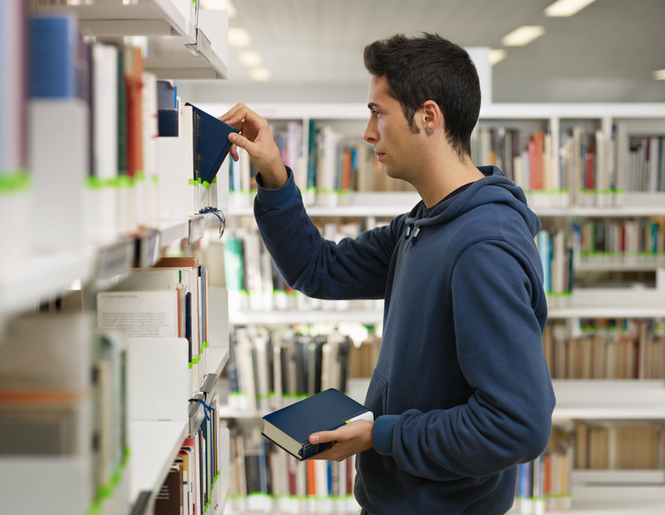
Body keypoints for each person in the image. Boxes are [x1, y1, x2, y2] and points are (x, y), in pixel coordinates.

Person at [220, 32, 555, 515]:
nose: (368, 132)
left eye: (379, 112)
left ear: (428, 117)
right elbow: (320, 268)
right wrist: (273, 174)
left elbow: (517, 425)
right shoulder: (423, 224)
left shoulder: (483, 247)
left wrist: (382, 433)